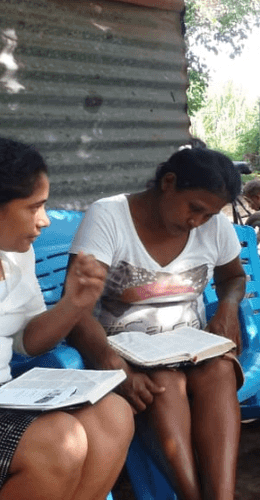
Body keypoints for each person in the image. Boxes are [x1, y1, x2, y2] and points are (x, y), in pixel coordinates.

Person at [68, 147, 246, 500]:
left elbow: (234, 278)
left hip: (192, 344)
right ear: (168, 182)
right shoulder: (109, 217)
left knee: (220, 372)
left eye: (209, 215)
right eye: (194, 208)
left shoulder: (214, 226)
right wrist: (113, 365)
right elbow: (75, 309)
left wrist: (226, 307)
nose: (199, 222)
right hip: (129, 349)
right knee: (164, 383)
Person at [0, 137, 134, 499]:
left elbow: (27, 343)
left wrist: (74, 304)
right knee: (59, 441)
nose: (43, 221)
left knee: (114, 415)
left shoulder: (15, 256)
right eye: (34, 207)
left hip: (6, 397)